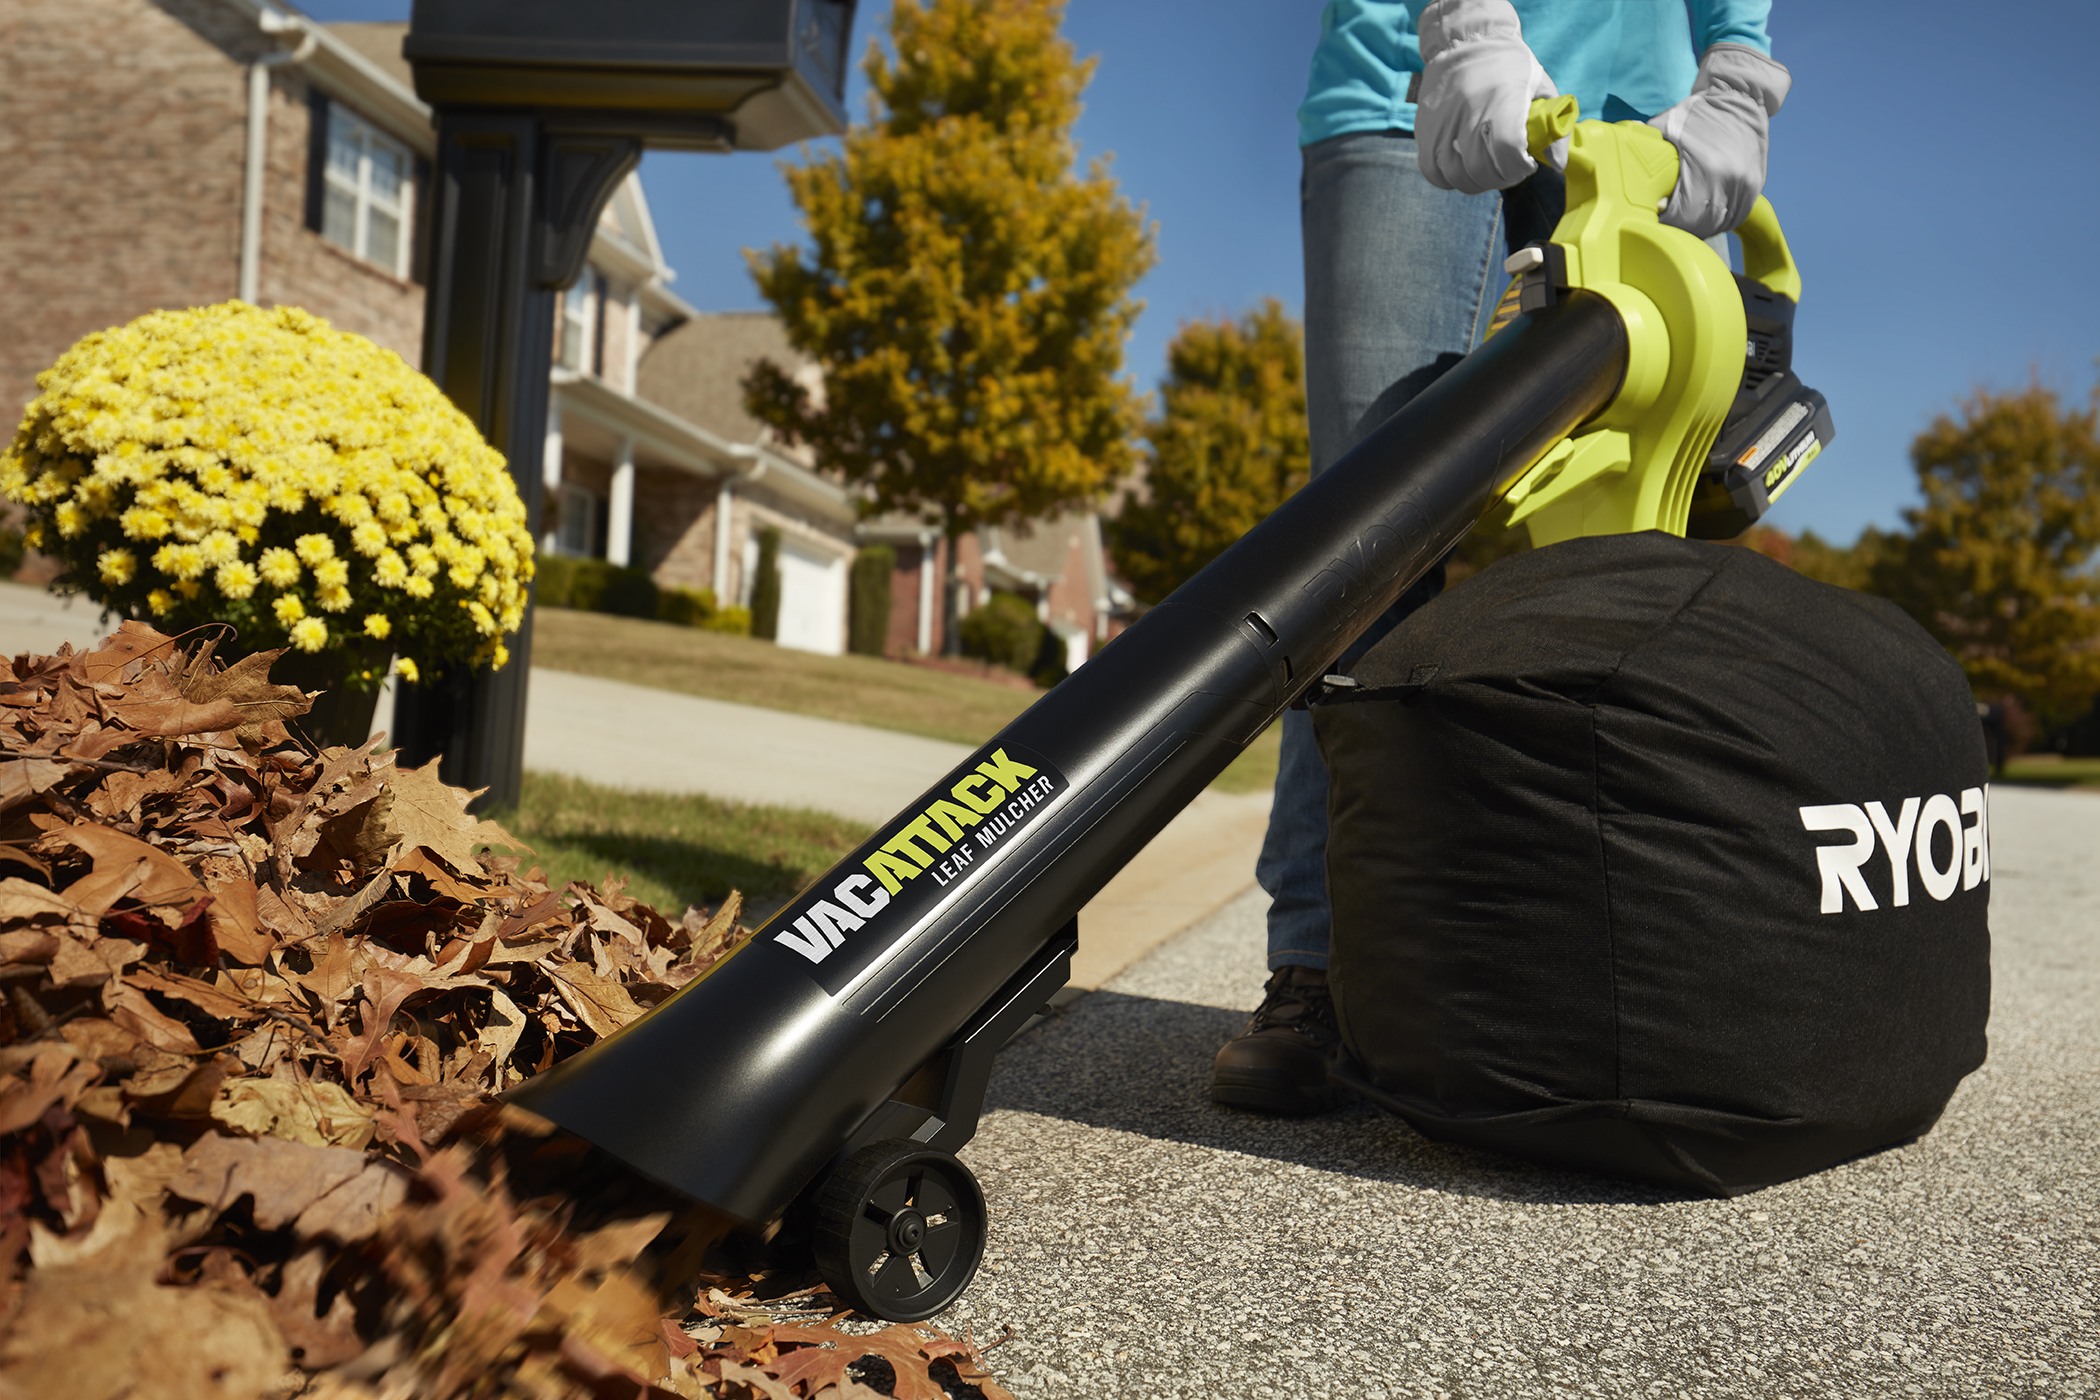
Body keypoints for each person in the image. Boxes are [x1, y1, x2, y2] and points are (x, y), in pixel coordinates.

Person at [1210, 0, 1792, 1116]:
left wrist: (1738, 61)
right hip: (1414, 94)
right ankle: (1321, 972)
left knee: (1629, 575)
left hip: (1650, 127)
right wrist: (1465, 22)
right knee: (1364, 563)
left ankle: (1617, 982)